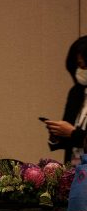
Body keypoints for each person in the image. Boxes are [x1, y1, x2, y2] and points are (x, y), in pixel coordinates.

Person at [44, 36, 87, 164]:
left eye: (84, 66)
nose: (80, 71)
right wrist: (57, 134)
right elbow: (68, 130)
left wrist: (72, 133)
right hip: (74, 169)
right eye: (78, 66)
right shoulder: (76, 92)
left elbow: (73, 133)